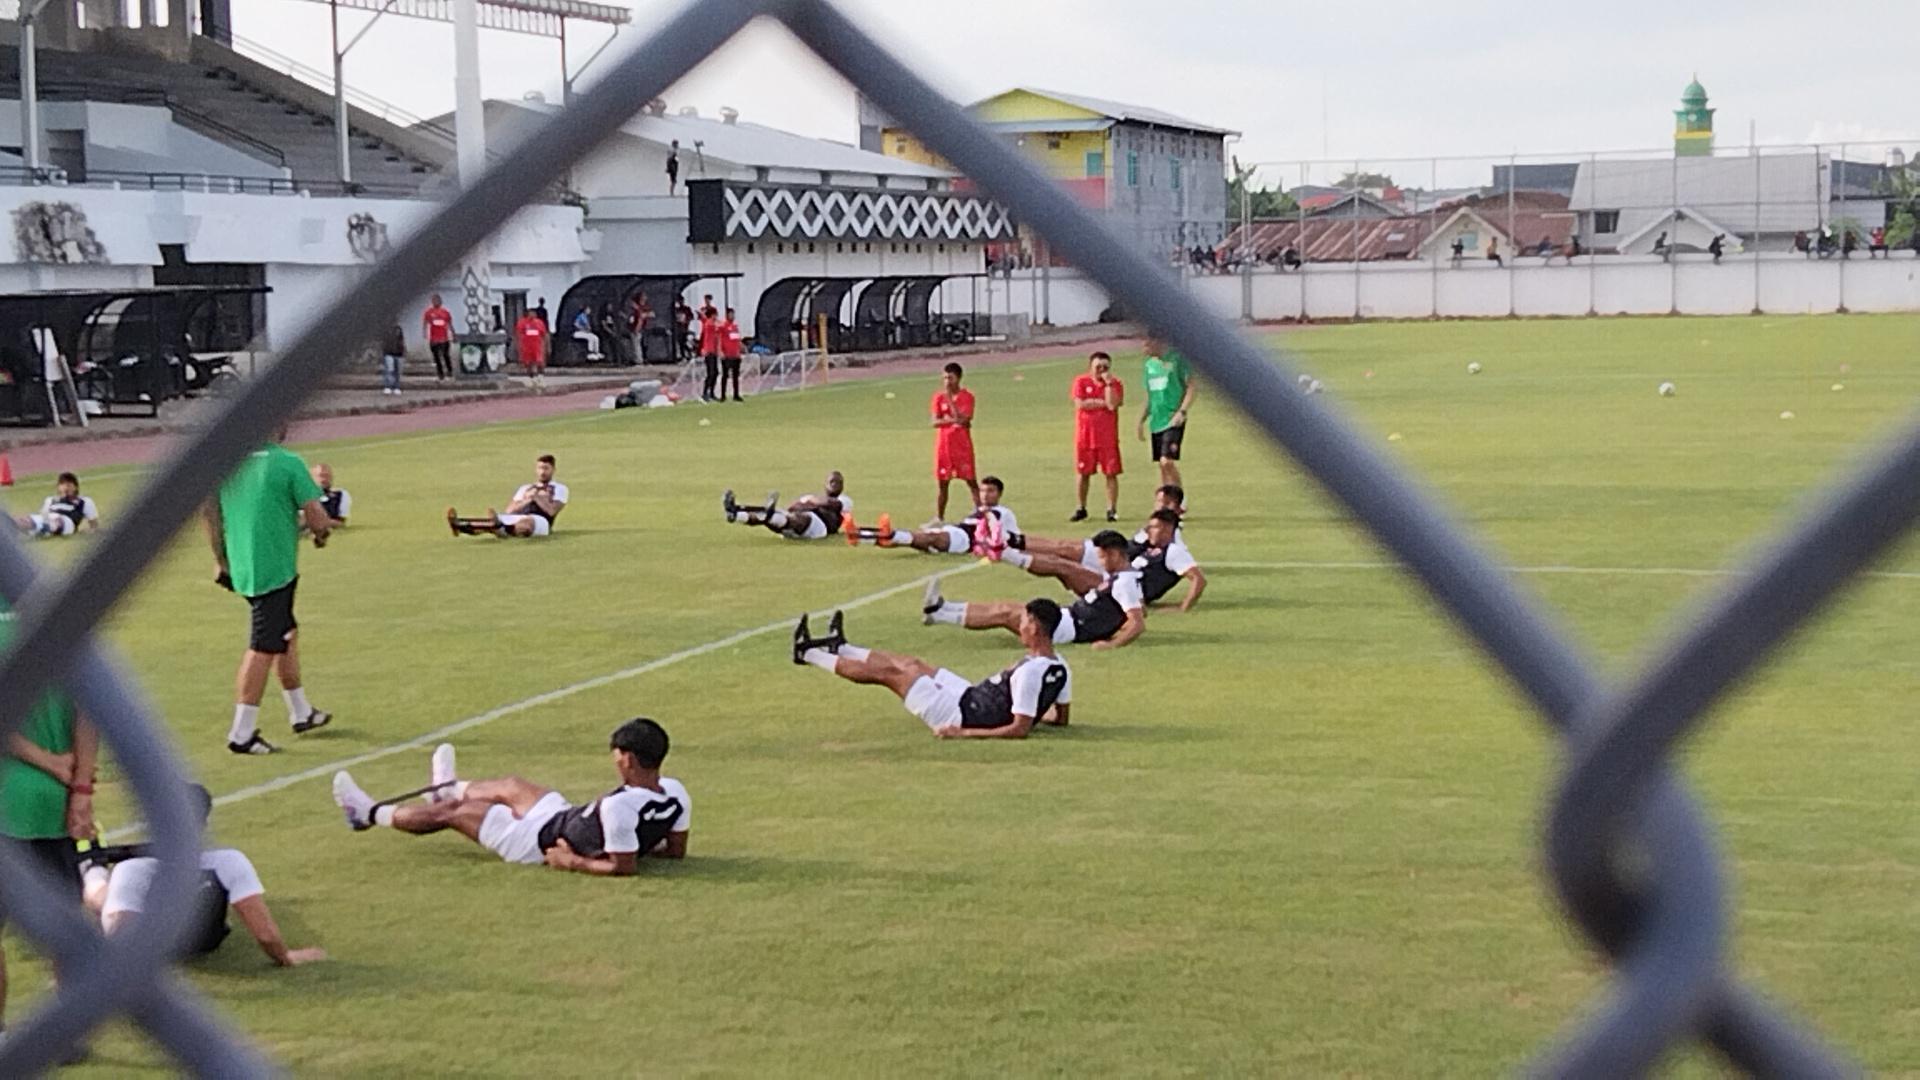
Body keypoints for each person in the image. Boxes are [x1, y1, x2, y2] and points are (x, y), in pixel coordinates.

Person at [330, 720, 690, 876]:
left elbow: (622, 868)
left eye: (617, 755)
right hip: (562, 816)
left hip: (531, 843)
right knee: (511, 785)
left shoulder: (618, 808)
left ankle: (367, 814)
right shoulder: (675, 793)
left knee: (454, 813)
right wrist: (634, 843)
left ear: (628, 760)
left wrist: (572, 861)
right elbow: (675, 851)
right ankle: (445, 787)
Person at [82, 784, 325, 968]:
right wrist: (286, 957)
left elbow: (119, 933)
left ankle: (92, 869)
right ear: (204, 822)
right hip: (205, 943)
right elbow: (265, 935)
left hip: (155, 948)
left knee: (103, 895)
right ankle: (93, 869)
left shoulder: (132, 869)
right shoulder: (229, 861)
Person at [0, 601, 97, 1050]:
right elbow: (91, 711)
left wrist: (44, 760)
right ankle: (66, 1032)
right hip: (55, 802)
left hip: (7, 798)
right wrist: (81, 787)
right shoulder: (63, 615)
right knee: (64, 923)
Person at [204, 434, 334, 755]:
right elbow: (316, 514)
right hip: (274, 569)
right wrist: (321, 533)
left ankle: (301, 711)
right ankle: (241, 733)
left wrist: (221, 559)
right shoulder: (286, 462)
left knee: (286, 631)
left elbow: (210, 513)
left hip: (242, 565)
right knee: (263, 644)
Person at [791, 605, 1070, 740]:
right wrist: (1032, 711)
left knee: (890, 674)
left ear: (1035, 628)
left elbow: (1019, 729)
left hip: (960, 715)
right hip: (971, 696)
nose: (1019, 627)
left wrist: (963, 733)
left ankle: (808, 653)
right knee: (914, 663)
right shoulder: (1060, 665)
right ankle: (842, 647)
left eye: (1023, 622)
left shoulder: (1030, 673)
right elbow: (1060, 718)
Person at [921, 530, 1146, 651]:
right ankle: (942, 609)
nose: (1100, 562)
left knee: (1006, 613)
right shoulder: (1125, 578)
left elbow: (1137, 623)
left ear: (1115, 554)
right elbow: (1138, 609)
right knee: (1008, 607)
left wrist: (1111, 644)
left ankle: (940, 614)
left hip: (1070, 628)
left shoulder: (1124, 582)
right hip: (1070, 618)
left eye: (1102, 557)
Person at [999, 505, 1205, 613]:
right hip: (1114, 576)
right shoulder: (1153, 544)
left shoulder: (1174, 551)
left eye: (1155, 527)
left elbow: (1198, 579)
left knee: (1062, 566)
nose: (1149, 530)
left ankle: (1004, 551)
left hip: (1119, 588)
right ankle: (1008, 542)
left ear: (1168, 529)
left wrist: (1182, 607)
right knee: (1063, 555)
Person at [844, 474, 1018, 555]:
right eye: (983, 491)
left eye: (991, 491)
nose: (985, 495)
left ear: (999, 494)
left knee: (927, 538)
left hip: (965, 540)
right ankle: (859, 535)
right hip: (955, 531)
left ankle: (882, 533)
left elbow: (1014, 538)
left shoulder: (1004, 512)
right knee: (912, 538)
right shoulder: (978, 510)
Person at [447, 454, 568, 539]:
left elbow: (552, 511)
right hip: (517, 516)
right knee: (493, 521)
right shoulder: (526, 488)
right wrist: (526, 500)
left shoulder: (559, 488)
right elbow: (510, 510)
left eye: (546, 468)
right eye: (540, 468)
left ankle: (501, 529)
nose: (542, 472)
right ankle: (461, 526)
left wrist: (537, 497)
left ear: (553, 470)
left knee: (526, 524)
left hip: (540, 521)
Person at [1138, 341, 1194, 505]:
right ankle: (1166, 502)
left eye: (1147, 344)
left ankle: (1180, 500)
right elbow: (1150, 397)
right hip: (1157, 421)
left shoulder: (1177, 360)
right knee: (1162, 466)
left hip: (1173, 419)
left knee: (1166, 461)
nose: (1144, 348)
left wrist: (1182, 411)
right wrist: (1141, 420)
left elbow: (1191, 387)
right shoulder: (1149, 366)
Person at [1071, 351, 1124, 523]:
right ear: (1090, 367)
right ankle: (1081, 507)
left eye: (1105, 367)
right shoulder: (1081, 382)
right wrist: (1101, 403)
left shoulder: (1115, 384)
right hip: (1085, 436)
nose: (1101, 370)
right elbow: (1081, 404)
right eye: (1098, 367)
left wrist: (1108, 386)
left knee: (1111, 473)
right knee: (1083, 473)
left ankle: (1111, 509)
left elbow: (1112, 404)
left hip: (1107, 437)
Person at [722, 471, 849, 540]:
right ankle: (735, 514)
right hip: (793, 522)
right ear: (825, 484)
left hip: (818, 527)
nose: (834, 484)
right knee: (774, 515)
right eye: (831, 481)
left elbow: (830, 504)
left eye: (838, 482)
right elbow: (792, 507)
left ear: (842, 486)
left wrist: (810, 501)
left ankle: (767, 516)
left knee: (800, 518)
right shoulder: (810, 497)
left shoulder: (844, 500)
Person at [930, 362, 979, 521]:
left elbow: (964, 419)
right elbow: (935, 422)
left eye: (950, 378)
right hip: (944, 446)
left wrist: (950, 402)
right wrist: (953, 421)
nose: (947, 382)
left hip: (962, 445)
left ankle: (981, 514)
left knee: (971, 480)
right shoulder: (938, 398)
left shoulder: (967, 397)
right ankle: (939, 518)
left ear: (958, 378)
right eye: (944, 378)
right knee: (943, 483)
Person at [11, 472, 100, 538]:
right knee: (25, 519)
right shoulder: (51, 500)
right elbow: (42, 516)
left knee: (54, 522)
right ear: (58, 487)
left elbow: (94, 525)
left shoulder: (84, 501)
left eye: (69, 485)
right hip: (47, 520)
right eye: (62, 484)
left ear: (75, 487)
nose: (65, 488)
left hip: (67, 523)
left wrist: (90, 530)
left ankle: (36, 527)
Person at [512, 307, 548, 392]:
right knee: (528, 363)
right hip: (527, 347)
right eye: (531, 313)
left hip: (537, 346)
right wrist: (517, 346)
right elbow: (518, 334)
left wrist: (546, 346)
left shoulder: (539, 323)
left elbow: (544, 334)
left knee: (540, 362)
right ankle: (531, 379)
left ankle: (541, 378)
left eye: (534, 313)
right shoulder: (522, 323)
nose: (533, 315)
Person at [422, 293, 455, 381]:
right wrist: (424, 332)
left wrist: (453, 334)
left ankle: (449, 371)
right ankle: (440, 374)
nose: (436, 302)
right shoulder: (429, 312)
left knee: (445, 355)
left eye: (437, 300)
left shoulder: (445, 312)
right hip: (434, 339)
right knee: (436, 357)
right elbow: (425, 323)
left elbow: (450, 324)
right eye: (434, 300)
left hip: (444, 339)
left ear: (441, 302)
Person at [311, 464, 350, 529]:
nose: (324, 479)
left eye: (327, 476)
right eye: (321, 475)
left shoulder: (340, 495)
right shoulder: (301, 494)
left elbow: (341, 522)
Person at [718, 307, 745, 402]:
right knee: (725, 375)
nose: (732, 316)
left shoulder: (735, 327)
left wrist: (742, 348)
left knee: (735, 376)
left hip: (736, 355)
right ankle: (723, 395)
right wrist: (720, 351)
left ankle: (736, 394)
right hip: (727, 355)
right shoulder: (723, 326)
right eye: (731, 314)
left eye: (733, 314)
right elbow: (719, 339)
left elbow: (737, 339)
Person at [379, 321, 405, 397]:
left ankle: (396, 387)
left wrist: (402, 350)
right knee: (389, 370)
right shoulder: (386, 330)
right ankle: (388, 386)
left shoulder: (399, 329)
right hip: (389, 353)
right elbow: (384, 341)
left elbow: (401, 341)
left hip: (398, 353)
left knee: (397, 371)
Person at [673, 298, 695, 362]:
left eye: (681, 301)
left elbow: (691, 317)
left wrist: (686, 321)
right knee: (680, 343)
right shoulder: (677, 309)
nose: (680, 302)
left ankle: (689, 353)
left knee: (684, 342)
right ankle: (683, 356)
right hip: (678, 328)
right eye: (679, 301)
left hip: (685, 328)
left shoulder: (687, 309)